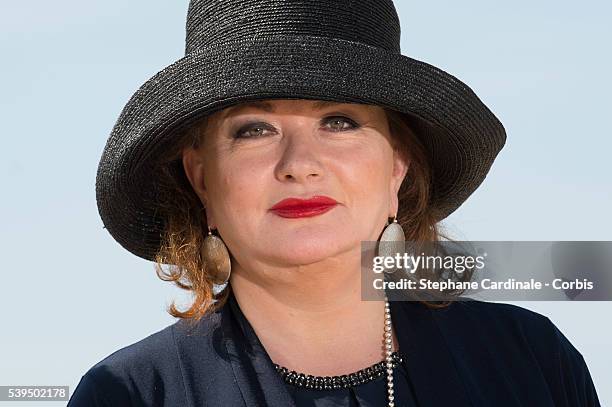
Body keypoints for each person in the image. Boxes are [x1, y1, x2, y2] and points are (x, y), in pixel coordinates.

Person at [68, 0, 601, 406]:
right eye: (255, 129)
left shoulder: (531, 361)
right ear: (202, 177)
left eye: (339, 122)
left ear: (398, 167)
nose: (300, 163)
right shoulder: (131, 394)